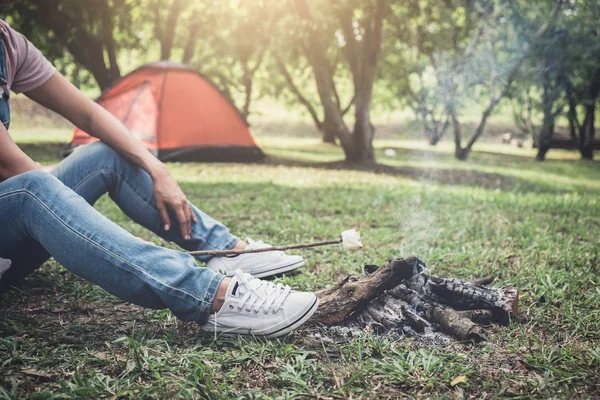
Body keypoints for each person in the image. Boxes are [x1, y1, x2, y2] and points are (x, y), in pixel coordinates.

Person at [0, 10, 318, 338]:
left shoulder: (9, 43)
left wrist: (156, 167)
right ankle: (211, 296)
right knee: (31, 189)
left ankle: (222, 249)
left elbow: (90, 114)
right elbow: (10, 167)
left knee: (104, 154)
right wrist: (113, 241)